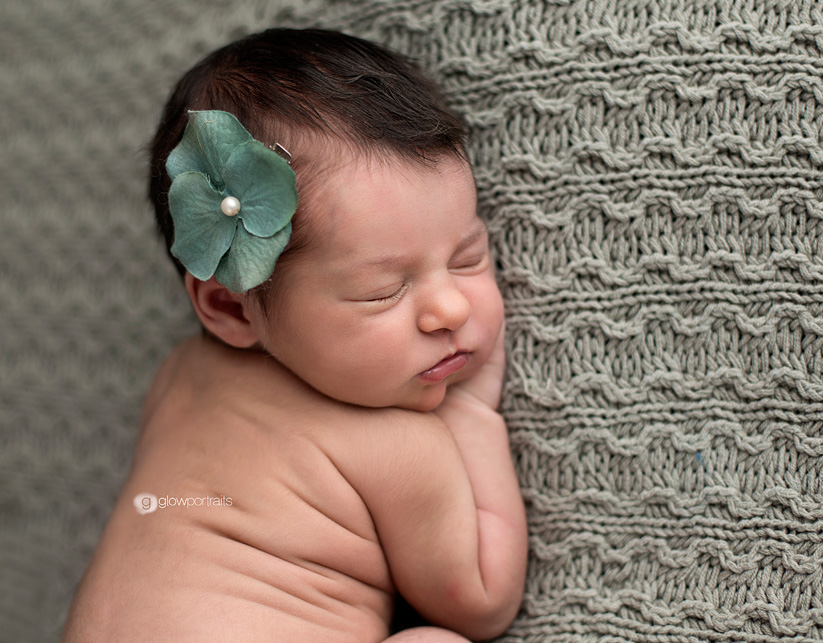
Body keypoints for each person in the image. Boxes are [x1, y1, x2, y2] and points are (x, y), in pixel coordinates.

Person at [61, 28, 528, 642]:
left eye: (467, 257)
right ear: (230, 309)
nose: (448, 308)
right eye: (382, 291)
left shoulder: (180, 376)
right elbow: (482, 603)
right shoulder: (402, 447)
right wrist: (470, 417)